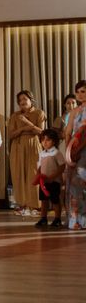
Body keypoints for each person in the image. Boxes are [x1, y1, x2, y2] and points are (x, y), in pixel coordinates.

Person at [8, 90, 46, 216]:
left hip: (33, 145)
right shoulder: (14, 115)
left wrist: (26, 122)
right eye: (20, 100)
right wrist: (25, 128)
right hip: (17, 147)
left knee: (33, 174)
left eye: (25, 99)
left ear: (31, 100)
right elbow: (11, 135)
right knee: (18, 174)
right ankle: (22, 204)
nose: (22, 102)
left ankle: (35, 206)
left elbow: (41, 132)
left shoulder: (39, 113)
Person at [64, 80, 86, 229]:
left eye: (83, 91)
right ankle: (76, 220)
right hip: (76, 149)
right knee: (73, 182)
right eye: (77, 91)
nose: (80, 94)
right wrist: (68, 151)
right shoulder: (74, 111)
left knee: (81, 177)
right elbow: (68, 132)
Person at [34, 129, 65, 227]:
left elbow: (62, 167)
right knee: (44, 200)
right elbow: (39, 166)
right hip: (44, 182)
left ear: (54, 141)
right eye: (43, 140)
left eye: (48, 140)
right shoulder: (42, 153)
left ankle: (57, 219)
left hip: (54, 181)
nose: (45, 142)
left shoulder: (56, 153)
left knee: (55, 200)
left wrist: (52, 177)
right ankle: (43, 218)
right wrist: (38, 176)